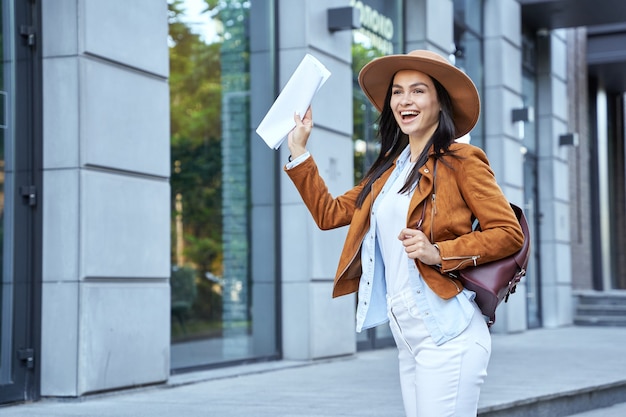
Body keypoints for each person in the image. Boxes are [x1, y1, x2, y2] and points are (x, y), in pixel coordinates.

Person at [284, 49, 524, 417]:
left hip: (448, 333)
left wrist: (438, 252)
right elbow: (329, 214)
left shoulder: (462, 160)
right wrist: (299, 149)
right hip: (408, 337)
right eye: (397, 91)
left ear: (439, 102)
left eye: (418, 91)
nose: (404, 101)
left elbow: (508, 233)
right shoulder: (388, 172)